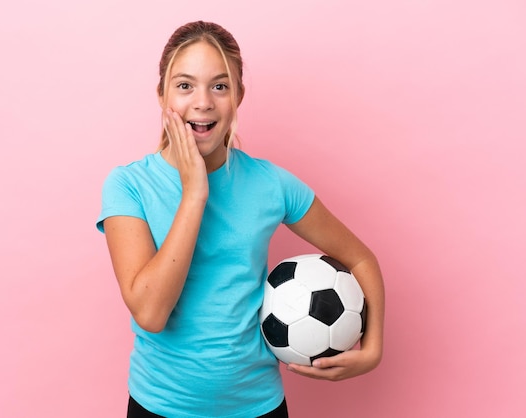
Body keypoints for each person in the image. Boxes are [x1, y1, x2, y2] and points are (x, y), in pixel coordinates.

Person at [97, 20, 385, 418]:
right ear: (162, 94)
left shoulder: (271, 184)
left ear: (238, 96)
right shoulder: (128, 185)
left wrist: (371, 349)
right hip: (159, 407)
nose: (203, 102)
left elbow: (361, 259)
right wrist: (194, 192)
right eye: (185, 86)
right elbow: (150, 313)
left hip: (258, 407)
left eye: (220, 86)